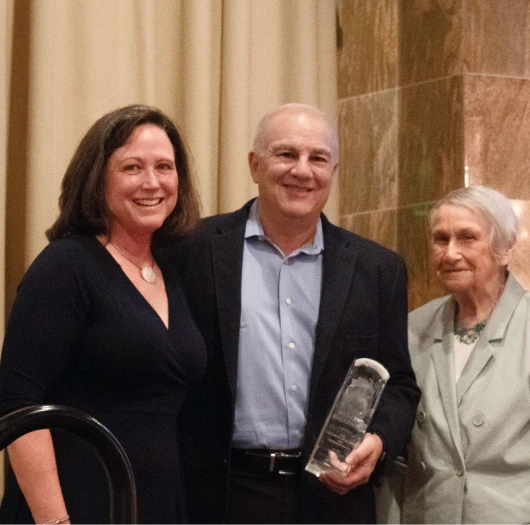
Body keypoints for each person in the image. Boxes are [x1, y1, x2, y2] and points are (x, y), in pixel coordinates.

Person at [170, 103, 421, 523]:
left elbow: (400, 386)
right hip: (220, 497)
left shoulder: (378, 270)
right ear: (255, 164)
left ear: (333, 172)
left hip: (331, 501)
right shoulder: (190, 251)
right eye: (286, 154)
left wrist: (378, 443)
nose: (302, 171)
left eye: (318, 158)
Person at [0, 105, 207, 524]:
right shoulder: (66, 266)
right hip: (78, 503)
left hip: (157, 503)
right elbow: (20, 404)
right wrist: (56, 521)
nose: (152, 182)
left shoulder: (174, 270)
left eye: (164, 166)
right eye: (132, 167)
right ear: (98, 179)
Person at [396, 185, 530, 523]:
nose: (450, 253)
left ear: (505, 248)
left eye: (467, 238)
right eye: (441, 239)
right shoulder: (414, 327)